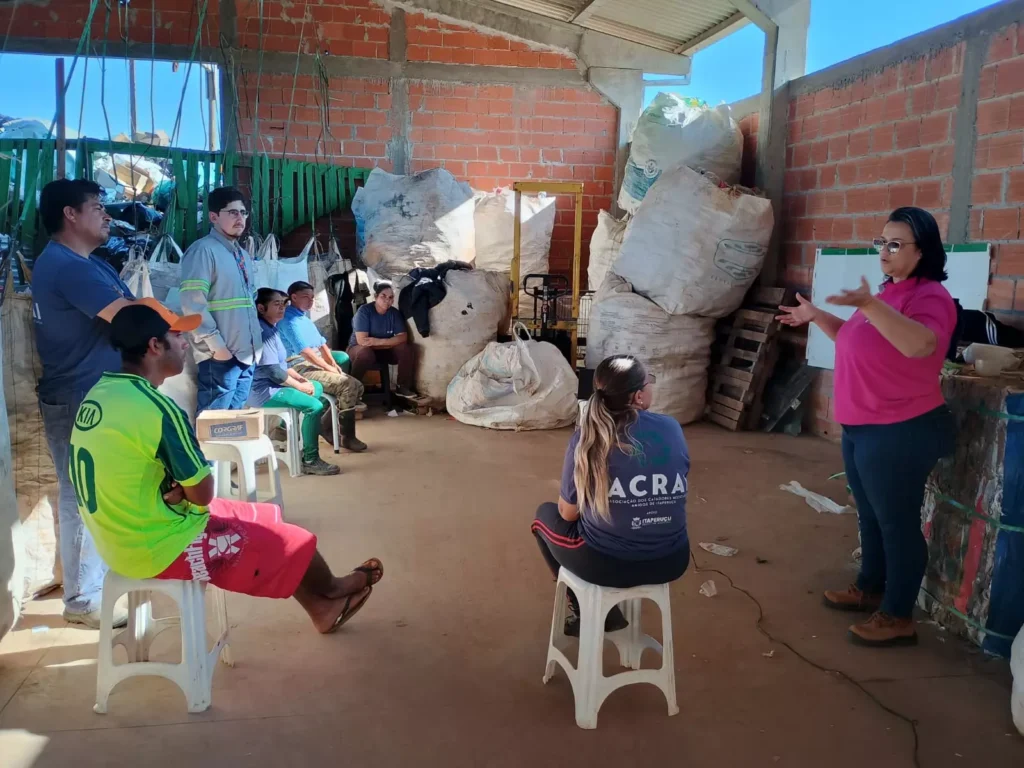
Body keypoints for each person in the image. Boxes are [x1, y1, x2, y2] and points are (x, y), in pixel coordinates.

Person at [70, 300, 383, 633]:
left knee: (264, 517)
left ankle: (322, 606)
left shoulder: (99, 394)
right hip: (158, 545)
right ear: (154, 346)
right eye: (177, 337)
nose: (186, 344)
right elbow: (202, 493)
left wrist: (170, 488)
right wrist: (179, 488)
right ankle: (332, 591)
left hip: (118, 542)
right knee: (293, 538)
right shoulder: (158, 409)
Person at [777, 206, 956, 648]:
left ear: (922, 251)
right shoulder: (886, 294)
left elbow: (920, 345)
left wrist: (870, 304)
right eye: (881, 242)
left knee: (897, 523)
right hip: (862, 426)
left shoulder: (929, 297)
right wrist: (817, 315)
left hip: (901, 428)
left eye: (895, 244)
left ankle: (898, 615)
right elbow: (857, 339)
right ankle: (870, 586)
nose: (884, 251)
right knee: (872, 515)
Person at [32, 178, 136, 628]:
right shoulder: (68, 266)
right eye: (96, 206)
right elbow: (128, 318)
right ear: (70, 214)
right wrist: (172, 325)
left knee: (96, 492)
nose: (106, 214)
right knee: (81, 495)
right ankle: (80, 600)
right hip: (79, 395)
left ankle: (98, 584)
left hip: (94, 392)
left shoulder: (87, 263)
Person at [532, 355, 691, 636]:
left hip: (608, 566)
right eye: (650, 382)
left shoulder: (586, 439)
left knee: (543, 516)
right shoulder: (671, 428)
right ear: (639, 396)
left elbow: (568, 514)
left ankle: (584, 609)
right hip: (672, 560)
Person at [251, 288, 365, 473]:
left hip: (275, 383)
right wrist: (300, 386)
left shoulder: (271, 328)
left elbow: (282, 365)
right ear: (261, 308)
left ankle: (295, 430)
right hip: (264, 391)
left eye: (283, 304)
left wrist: (302, 380)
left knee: (317, 387)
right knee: (314, 406)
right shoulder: (264, 333)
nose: (282, 308)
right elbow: (274, 372)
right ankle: (310, 460)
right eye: (276, 304)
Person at [179, 187, 261, 415]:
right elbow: (192, 304)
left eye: (243, 213)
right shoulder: (203, 251)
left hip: (247, 352)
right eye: (232, 212)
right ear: (214, 217)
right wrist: (217, 347)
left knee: (234, 422)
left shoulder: (242, 255)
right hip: (220, 355)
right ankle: (206, 453)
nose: (240, 219)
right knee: (214, 425)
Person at [277, 281, 367, 451]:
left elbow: (321, 344)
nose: (310, 301)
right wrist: (328, 368)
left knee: (358, 387)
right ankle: (347, 436)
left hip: (312, 364)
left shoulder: (303, 317)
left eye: (312, 297)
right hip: (297, 367)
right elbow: (305, 352)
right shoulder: (288, 320)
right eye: (306, 297)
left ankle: (322, 425)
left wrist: (333, 364)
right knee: (347, 386)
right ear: (293, 297)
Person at [347, 281, 418, 399]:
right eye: (383, 296)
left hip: (382, 350)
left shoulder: (394, 313)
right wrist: (390, 342)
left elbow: (403, 337)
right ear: (375, 297)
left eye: (390, 297)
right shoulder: (365, 311)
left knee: (406, 349)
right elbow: (362, 341)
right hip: (358, 350)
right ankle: (352, 390)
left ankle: (403, 387)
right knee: (366, 353)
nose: (387, 300)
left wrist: (378, 342)